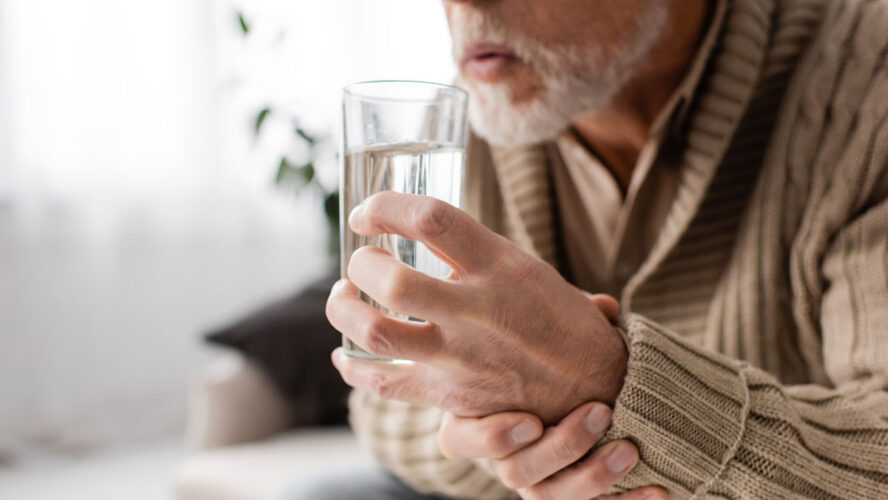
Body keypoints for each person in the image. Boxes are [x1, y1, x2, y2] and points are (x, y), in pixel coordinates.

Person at [276, 0, 888, 498]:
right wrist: (527, 445)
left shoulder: (866, 79)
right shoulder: (480, 107)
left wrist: (608, 387)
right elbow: (384, 397)